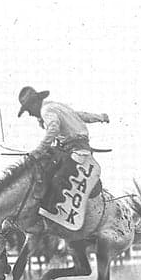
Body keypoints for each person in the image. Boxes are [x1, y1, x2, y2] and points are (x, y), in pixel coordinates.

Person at [18, 86, 109, 220]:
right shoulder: (57, 106)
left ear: (35, 103)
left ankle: (54, 213)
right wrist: (101, 117)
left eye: (29, 109)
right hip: (75, 147)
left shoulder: (46, 110)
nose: (30, 114)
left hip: (75, 149)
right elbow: (82, 116)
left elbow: (53, 128)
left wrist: (38, 151)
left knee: (56, 178)